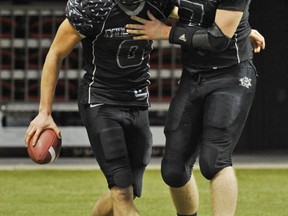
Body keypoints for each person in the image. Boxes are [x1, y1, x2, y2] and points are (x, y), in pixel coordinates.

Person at [24, 0, 173, 215]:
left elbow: (195, 19)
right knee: (121, 188)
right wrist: (44, 112)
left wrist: (167, 31)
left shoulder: (160, 3)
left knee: (127, 191)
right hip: (101, 101)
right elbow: (56, 53)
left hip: (138, 101)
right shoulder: (94, 7)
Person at [126, 1, 265, 215]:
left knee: (214, 160)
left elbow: (217, 39)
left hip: (231, 75)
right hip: (194, 75)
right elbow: (176, 9)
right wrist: (240, 26)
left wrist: (167, 32)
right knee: (173, 171)